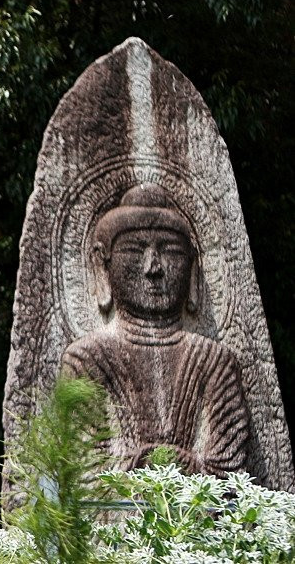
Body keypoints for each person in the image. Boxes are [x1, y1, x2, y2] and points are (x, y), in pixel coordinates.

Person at [62, 184, 248, 475]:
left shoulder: (216, 362)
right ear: (102, 265)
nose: (153, 268)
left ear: (192, 267)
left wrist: (177, 469)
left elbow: (231, 476)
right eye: (134, 251)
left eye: (171, 251)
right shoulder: (86, 359)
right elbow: (83, 474)